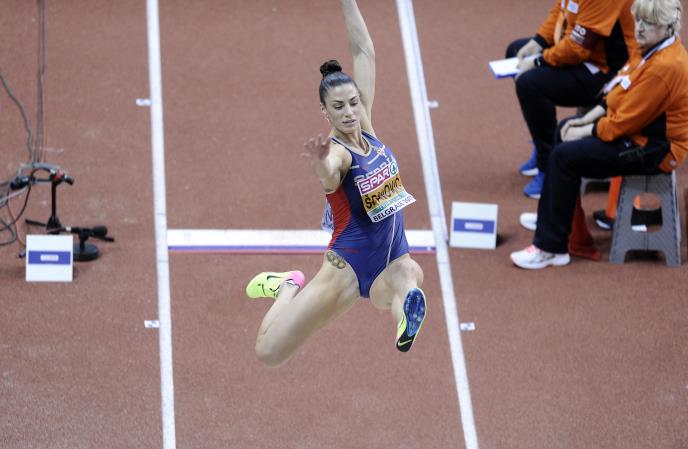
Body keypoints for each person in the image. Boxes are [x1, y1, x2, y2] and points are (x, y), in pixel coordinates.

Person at [244, 0, 426, 367]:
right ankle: (287, 286)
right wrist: (320, 162)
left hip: (392, 258)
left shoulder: (367, 129)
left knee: (410, 275)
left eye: (353, 103)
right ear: (325, 111)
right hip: (346, 269)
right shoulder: (340, 152)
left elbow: (364, 50)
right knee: (269, 353)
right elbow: (330, 174)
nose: (349, 112)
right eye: (338, 107)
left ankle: (406, 324)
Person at [510, 0, 688, 270]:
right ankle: (555, 218)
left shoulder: (665, 67)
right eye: (639, 20)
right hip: (638, 134)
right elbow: (617, 90)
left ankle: (551, 247)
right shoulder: (648, 48)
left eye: (649, 23)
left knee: (565, 156)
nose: (639, 28)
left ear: (668, 27)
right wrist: (584, 120)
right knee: (564, 131)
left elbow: (623, 123)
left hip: (655, 150)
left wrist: (586, 129)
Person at [506, 0, 637, 199]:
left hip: (609, 72)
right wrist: (539, 41)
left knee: (530, 84)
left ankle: (548, 166)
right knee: (515, 51)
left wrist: (540, 60)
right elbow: (562, 10)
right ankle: (542, 146)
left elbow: (577, 48)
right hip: (586, 53)